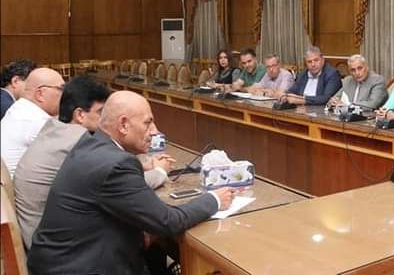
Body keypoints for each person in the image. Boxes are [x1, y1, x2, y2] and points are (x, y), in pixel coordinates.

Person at [28, 90, 235, 275]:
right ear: (123, 125)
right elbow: (168, 221)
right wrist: (214, 199)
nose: (154, 131)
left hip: (62, 259)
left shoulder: (91, 143)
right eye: (147, 123)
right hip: (80, 266)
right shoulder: (116, 164)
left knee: (155, 252)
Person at [13, 75, 174, 249]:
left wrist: (142, 165)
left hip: (44, 234)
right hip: (59, 245)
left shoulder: (55, 127)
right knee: (146, 228)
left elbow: (100, 174)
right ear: (80, 114)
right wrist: (159, 172)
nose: (106, 118)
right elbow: (124, 184)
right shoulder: (79, 142)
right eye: (100, 113)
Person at [1, 67, 65, 176]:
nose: (65, 95)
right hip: (18, 186)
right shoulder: (36, 120)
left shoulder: (20, 108)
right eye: (61, 89)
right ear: (40, 94)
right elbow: (68, 157)